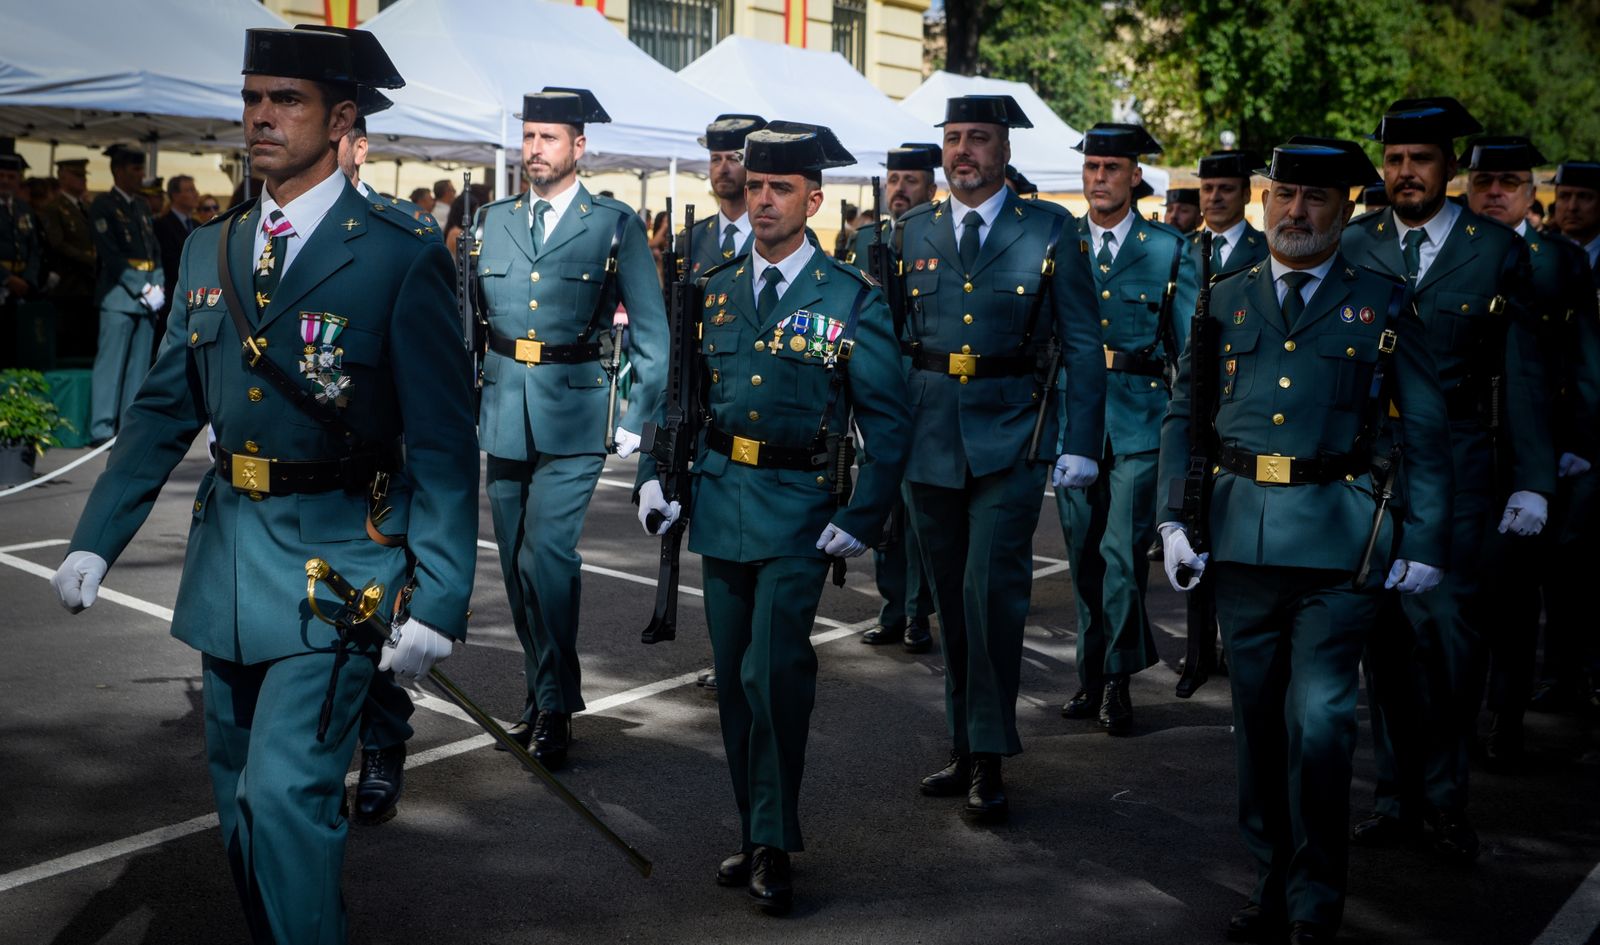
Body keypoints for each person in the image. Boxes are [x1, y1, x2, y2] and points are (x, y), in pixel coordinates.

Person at [49, 27, 477, 945]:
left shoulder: (400, 254)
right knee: (241, 807)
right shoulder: (211, 249)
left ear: (342, 119)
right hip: (230, 562)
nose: (261, 117)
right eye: (252, 98)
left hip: (338, 566)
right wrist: (95, 535)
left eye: (286, 100)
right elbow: (165, 410)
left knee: (288, 796)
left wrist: (439, 593)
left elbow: (443, 441)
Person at [1157, 136, 1452, 945]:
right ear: (1263, 199)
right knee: (1256, 725)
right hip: (1242, 540)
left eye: (1316, 197)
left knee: (1319, 726)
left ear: (1346, 209)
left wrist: (1421, 539)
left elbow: (1424, 430)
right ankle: (1270, 882)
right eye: (1284, 193)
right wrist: (1171, 520)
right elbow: (1186, 416)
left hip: (1340, 541)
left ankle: (1315, 901)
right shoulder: (1224, 297)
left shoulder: (1385, 301)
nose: (1296, 210)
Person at [635, 121, 909, 915]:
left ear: (813, 199)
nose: (762, 199)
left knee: (772, 673)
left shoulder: (848, 297)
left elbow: (888, 420)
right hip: (721, 502)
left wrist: (864, 514)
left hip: (800, 509)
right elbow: (679, 397)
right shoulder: (712, 285)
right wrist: (657, 475)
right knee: (731, 684)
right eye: (755, 185)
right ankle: (757, 825)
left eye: (780, 187)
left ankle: (772, 839)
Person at [1342, 97, 1551, 863]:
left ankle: (1445, 796)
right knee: (1385, 642)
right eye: (1395, 160)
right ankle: (1394, 796)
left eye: (1421, 160)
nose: (1405, 173)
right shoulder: (1355, 242)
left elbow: (1523, 375)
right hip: (1369, 466)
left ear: (1450, 170)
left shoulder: (1494, 249)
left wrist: (1533, 480)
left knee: (1450, 639)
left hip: (1461, 464)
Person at [897, 95, 1105, 821]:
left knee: (993, 597)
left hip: (1012, 434)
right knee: (951, 600)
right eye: (953, 138)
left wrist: (1080, 442)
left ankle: (989, 751)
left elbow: (1082, 342)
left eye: (978, 139)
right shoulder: (911, 230)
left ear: (1005, 150)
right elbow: (888, 338)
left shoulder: (1049, 229)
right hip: (927, 438)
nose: (963, 152)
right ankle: (963, 741)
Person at [475, 87, 666, 768]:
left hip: (577, 413)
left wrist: (639, 420)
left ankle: (555, 702)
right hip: (502, 412)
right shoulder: (490, 221)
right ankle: (542, 689)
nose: (534, 151)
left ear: (578, 147)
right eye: (528, 137)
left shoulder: (612, 224)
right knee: (515, 568)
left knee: (544, 558)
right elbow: (472, 326)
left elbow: (652, 333)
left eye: (548, 138)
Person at [1054, 123, 1198, 735]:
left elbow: (1188, 349)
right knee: (1083, 556)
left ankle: (1117, 679)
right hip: (1071, 417)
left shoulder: (1168, 249)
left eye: (1111, 169)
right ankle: (1091, 672)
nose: (1099, 180)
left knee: (1120, 555)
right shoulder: (1060, 244)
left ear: (1135, 176)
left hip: (1141, 419)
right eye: (1091, 168)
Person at [1461, 139, 1600, 767]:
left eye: (1509, 182)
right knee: (1457, 594)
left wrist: (1576, 445)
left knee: (1514, 598)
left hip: (1533, 451)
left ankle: (1506, 717)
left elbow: (1584, 359)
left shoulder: (1559, 262)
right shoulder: (1449, 251)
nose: (1495, 192)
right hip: (1461, 448)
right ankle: (1458, 718)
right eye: (1484, 179)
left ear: (1529, 192)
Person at [848, 142, 942, 654]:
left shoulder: (941, 235)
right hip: (877, 386)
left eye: (911, 180)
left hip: (924, 387)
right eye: (894, 180)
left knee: (920, 509)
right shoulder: (865, 241)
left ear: (930, 186)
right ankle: (891, 607)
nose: (900, 189)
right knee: (884, 506)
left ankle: (918, 610)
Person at [1542, 160, 1600, 711]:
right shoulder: (1545, 257)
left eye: (1585, 197)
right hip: (1548, 431)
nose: (1573, 206)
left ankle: (1582, 672)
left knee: (1579, 556)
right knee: (1554, 560)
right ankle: (1560, 670)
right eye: (1566, 196)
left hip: (1590, 436)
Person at [87, 144, 164, 443]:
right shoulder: (103, 205)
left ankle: (128, 426)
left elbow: (153, 248)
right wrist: (140, 285)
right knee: (111, 364)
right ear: (118, 171)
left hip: (146, 294)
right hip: (119, 294)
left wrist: (157, 283)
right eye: (135, 170)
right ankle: (102, 429)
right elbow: (110, 254)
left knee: (138, 367)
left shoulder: (142, 206)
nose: (140, 175)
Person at [679, 114, 766, 282]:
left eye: (733, 159)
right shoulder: (693, 237)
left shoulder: (775, 232)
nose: (722, 169)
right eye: (716, 159)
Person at [39, 157, 98, 359]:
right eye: (77, 176)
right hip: (69, 285)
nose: (83, 180)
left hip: (90, 285)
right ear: (62, 176)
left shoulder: (87, 208)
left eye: (83, 176)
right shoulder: (53, 208)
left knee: (87, 343)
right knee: (69, 342)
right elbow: (57, 244)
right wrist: (90, 260)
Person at [1190, 150, 1269, 279]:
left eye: (1226, 189)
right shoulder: (1180, 247)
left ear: (1246, 195)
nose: (1214, 197)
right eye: (1207, 188)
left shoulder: (1269, 250)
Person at [0, 145, 44, 368]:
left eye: (11, 176)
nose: (6, 181)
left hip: (21, 290)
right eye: (2, 176)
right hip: (3, 283)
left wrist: (28, 278)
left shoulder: (23, 209)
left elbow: (34, 248)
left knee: (17, 349)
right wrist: (7, 278)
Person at [153, 175, 201, 359]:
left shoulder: (197, 225)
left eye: (194, 188)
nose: (195, 194)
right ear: (174, 195)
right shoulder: (162, 225)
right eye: (189, 190)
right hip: (172, 297)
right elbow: (169, 262)